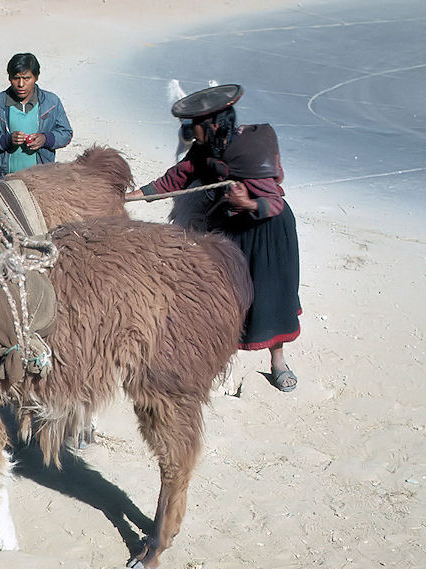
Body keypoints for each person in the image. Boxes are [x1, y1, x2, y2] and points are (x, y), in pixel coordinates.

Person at [126, 84, 301, 392]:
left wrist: (247, 203)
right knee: (225, 296)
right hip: (232, 226)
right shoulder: (207, 147)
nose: (188, 131)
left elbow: (273, 202)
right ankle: (219, 359)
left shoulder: (251, 150)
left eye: (193, 126)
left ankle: (278, 363)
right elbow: (177, 177)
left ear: (214, 125)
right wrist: (133, 197)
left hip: (267, 233)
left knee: (270, 297)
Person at [0, 52, 72, 179]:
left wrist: (45, 139)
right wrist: (7, 140)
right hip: (5, 179)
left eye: (27, 78)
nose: (21, 84)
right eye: (16, 78)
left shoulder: (51, 102)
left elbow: (66, 133)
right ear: (9, 78)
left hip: (42, 179)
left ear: (36, 77)